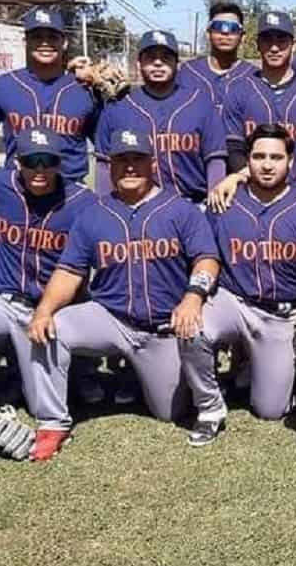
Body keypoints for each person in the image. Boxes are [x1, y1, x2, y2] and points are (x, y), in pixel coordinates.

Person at [28, 128, 219, 434]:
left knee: (169, 412)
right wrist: (44, 310)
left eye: (137, 159)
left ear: (152, 163)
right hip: (111, 318)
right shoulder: (93, 214)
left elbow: (206, 258)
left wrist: (193, 296)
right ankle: (52, 422)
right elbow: (69, 271)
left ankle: (143, 376)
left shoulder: (181, 209)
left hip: (161, 328)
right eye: (122, 160)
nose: (130, 167)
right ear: (110, 166)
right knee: (52, 328)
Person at [0, 130, 96, 460]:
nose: (39, 169)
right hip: (1, 300)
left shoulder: (83, 201)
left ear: (59, 163)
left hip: (48, 310)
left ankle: (72, 374)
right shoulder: (1, 184)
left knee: (39, 406)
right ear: (17, 162)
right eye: (30, 161)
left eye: (47, 161)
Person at [185, 124, 296, 449]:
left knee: (270, 410)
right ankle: (209, 408)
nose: (267, 164)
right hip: (234, 301)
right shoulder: (224, 200)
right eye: (259, 156)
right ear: (247, 161)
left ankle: (257, 368)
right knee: (192, 326)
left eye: (276, 158)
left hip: (280, 314)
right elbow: (207, 256)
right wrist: (194, 296)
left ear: (290, 162)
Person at [95, 30, 227, 203]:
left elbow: (215, 159)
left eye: (166, 57)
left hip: (193, 204)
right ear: (139, 64)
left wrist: (214, 205)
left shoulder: (200, 103)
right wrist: (105, 206)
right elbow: (104, 163)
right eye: (151, 57)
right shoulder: (118, 107)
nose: (158, 63)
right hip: (135, 207)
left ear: (177, 65)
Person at [0, 7, 100, 183]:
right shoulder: (1, 86)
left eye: (52, 37)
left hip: (70, 189)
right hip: (19, 187)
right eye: (37, 37)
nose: (45, 43)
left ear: (64, 42)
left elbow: (106, 146)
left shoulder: (85, 88)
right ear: (25, 41)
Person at [220, 10, 296, 183]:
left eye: (281, 40)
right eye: (267, 40)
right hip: (251, 188)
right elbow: (234, 149)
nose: (274, 48)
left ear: (294, 45)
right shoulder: (238, 92)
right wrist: (257, 185)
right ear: (257, 44)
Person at [179, 0, 254, 103]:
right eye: (218, 26)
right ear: (208, 34)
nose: (225, 33)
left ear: (242, 36)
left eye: (233, 28)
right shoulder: (188, 71)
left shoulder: (253, 75)